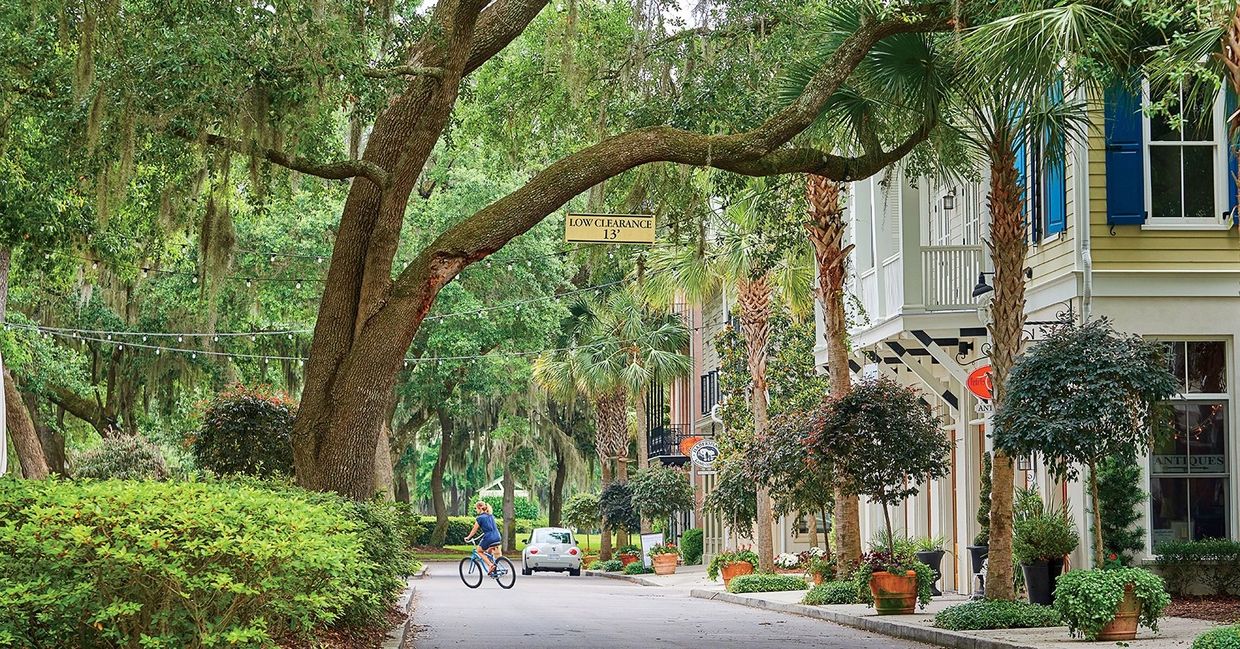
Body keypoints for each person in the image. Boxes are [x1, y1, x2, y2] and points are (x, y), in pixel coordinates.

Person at [466, 501, 503, 575]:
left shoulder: (479, 518)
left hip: (489, 538)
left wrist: (468, 537)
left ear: (479, 508)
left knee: (479, 551)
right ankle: (493, 565)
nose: (476, 510)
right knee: (489, 551)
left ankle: (490, 565)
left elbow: (474, 530)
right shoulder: (490, 515)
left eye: (476, 509)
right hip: (497, 536)